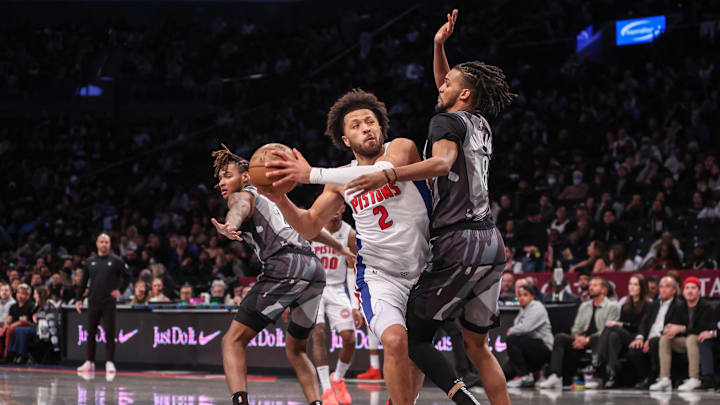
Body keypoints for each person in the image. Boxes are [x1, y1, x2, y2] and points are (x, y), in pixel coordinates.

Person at [343, 9, 514, 405]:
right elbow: (449, 86)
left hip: (460, 240)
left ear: (462, 94)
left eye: (448, 83)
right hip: (493, 243)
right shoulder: (478, 122)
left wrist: (388, 175)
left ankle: (463, 400)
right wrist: (439, 46)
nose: (441, 85)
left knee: (414, 337)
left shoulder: (442, 124)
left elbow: (440, 164)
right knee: (478, 346)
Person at [262, 89, 430, 405]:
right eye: (356, 125)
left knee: (416, 356)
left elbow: (379, 174)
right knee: (395, 341)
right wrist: (281, 199)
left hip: (424, 269)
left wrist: (311, 174)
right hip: (380, 275)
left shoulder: (402, 149)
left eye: (371, 121)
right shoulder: (339, 180)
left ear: (382, 128)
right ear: (345, 140)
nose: (367, 128)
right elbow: (310, 225)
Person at [207, 144, 353, 405]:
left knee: (232, 341)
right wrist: (340, 247)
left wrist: (231, 224)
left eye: (227, 175)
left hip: (286, 266)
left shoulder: (243, 195)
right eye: (219, 178)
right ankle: (317, 402)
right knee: (296, 349)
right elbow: (309, 229)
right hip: (315, 270)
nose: (221, 182)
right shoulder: (275, 199)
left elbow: (238, 208)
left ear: (247, 177)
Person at [309, 205, 362, 405]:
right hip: (315, 288)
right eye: (333, 204)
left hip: (338, 288)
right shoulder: (314, 228)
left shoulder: (349, 234)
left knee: (349, 339)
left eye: (341, 205)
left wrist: (355, 305)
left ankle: (338, 378)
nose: (337, 209)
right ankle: (326, 390)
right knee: (319, 333)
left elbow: (352, 270)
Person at [539, 276, 619, 388]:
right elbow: (576, 328)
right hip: (582, 340)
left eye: (595, 285)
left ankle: (596, 377)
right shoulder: (584, 306)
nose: (590, 288)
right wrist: (577, 338)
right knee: (560, 337)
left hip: (599, 341)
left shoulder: (612, 307)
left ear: (604, 289)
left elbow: (607, 330)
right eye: (590, 285)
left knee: (597, 338)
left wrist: (586, 340)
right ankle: (556, 375)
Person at [76, 233, 131, 374]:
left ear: (110, 244)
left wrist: (120, 290)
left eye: (106, 242)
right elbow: (83, 282)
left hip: (108, 302)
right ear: (97, 244)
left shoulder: (116, 261)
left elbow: (128, 276)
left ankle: (109, 362)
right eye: (101, 241)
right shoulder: (90, 261)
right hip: (93, 301)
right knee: (90, 333)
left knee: (109, 333)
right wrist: (78, 299)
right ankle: (89, 362)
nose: (104, 244)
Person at [650, 277, 714, 392]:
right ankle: (665, 379)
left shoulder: (706, 306)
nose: (690, 291)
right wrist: (669, 329)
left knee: (691, 338)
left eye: (693, 288)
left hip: (699, 341)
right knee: (665, 339)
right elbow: (674, 325)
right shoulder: (680, 306)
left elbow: (703, 329)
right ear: (683, 291)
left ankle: (694, 378)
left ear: (699, 291)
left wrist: (682, 329)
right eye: (687, 288)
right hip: (684, 342)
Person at [591, 274, 650, 388]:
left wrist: (619, 324)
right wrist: (620, 325)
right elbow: (622, 326)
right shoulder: (626, 305)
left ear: (642, 287)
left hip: (637, 337)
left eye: (635, 285)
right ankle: (613, 371)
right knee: (613, 335)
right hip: (624, 336)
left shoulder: (648, 305)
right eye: (630, 284)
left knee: (611, 326)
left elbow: (639, 327)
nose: (631, 287)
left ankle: (597, 359)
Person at [627, 276, 682, 388]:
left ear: (674, 290)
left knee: (655, 343)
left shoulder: (679, 305)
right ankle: (644, 377)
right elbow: (644, 323)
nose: (663, 289)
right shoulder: (653, 304)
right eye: (661, 286)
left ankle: (655, 376)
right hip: (649, 338)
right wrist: (641, 337)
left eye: (667, 286)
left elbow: (672, 326)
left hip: (664, 338)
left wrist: (651, 339)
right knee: (634, 348)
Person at [505, 285, 553, 388]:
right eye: (519, 295)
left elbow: (525, 327)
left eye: (525, 295)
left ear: (532, 297)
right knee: (504, 372)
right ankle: (526, 376)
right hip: (530, 349)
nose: (521, 298)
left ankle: (523, 376)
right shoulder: (523, 309)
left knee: (512, 339)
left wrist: (511, 330)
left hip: (544, 348)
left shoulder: (537, 306)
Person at [1, 284, 34, 362]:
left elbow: (30, 322)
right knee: (5, 330)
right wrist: (5, 325)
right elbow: (9, 319)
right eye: (18, 293)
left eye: (23, 293)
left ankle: (12, 354)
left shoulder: (31, 306)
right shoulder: (13, 306)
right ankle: (3, 354)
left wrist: (15, 325)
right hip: (12, 328)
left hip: (26, 327)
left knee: (16, 330)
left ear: (28, 295)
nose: (20, 295)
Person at [698, 303, 720, 390]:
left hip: (717, 335)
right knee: (704, 340)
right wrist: (712, 332)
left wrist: (714, 333)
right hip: (717, 338)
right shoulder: (718, 307)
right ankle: (708, 378)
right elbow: (712, 324)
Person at [0, 283, 16, 356]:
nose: (4, 292)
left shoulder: (13, 303)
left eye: (6, 290)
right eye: (2, 290)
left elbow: (10, 319)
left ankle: (4, 355)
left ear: (10, 292)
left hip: (7, 325)